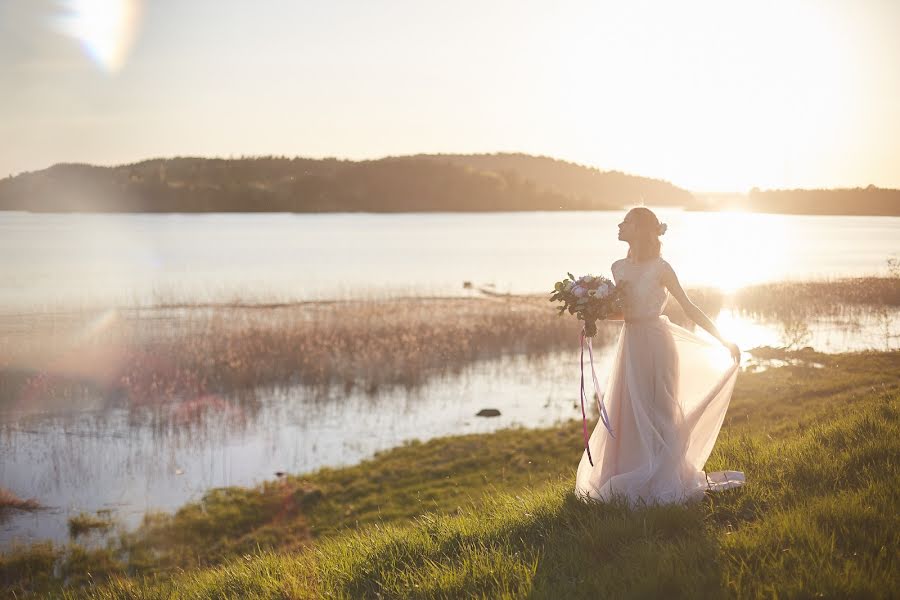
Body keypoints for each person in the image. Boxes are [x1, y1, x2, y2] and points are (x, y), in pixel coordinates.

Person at [575, 207, 746, 507]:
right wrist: (592, 312)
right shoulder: (618, 267)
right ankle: (633, 470)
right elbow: (626, 312)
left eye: (625, 221)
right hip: (631, 344)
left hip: (657, 342)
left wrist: (723, 338)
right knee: (628, 408)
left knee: (660, 409)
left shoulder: (661, 268)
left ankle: (665, 474)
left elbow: (689, 307)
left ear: (639, 229)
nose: (619, 225)